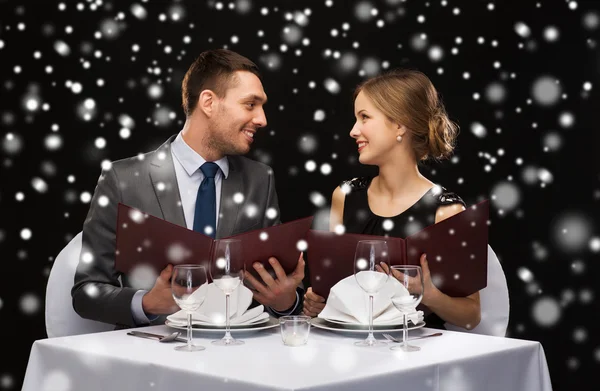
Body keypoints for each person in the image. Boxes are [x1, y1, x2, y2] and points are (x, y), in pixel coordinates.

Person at [73, 49, 304, 328]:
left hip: (235, 353)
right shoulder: (123, 180)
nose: (262, 119)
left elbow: (273, 284)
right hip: (152, 357)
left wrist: (285, 302)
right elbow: (86, 292)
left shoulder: (260, 180)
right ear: (208, 102)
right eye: (250, 104)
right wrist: (147, 303)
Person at [303, 69, 481, 330]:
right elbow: (335, 295)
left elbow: (471, 316)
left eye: (364, 117)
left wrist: (430, 296)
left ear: (400, 124)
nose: (353, 131)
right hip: (350, 351)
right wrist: (318, 303)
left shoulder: (446, 211)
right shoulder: (344, 195)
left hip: (416, 356)